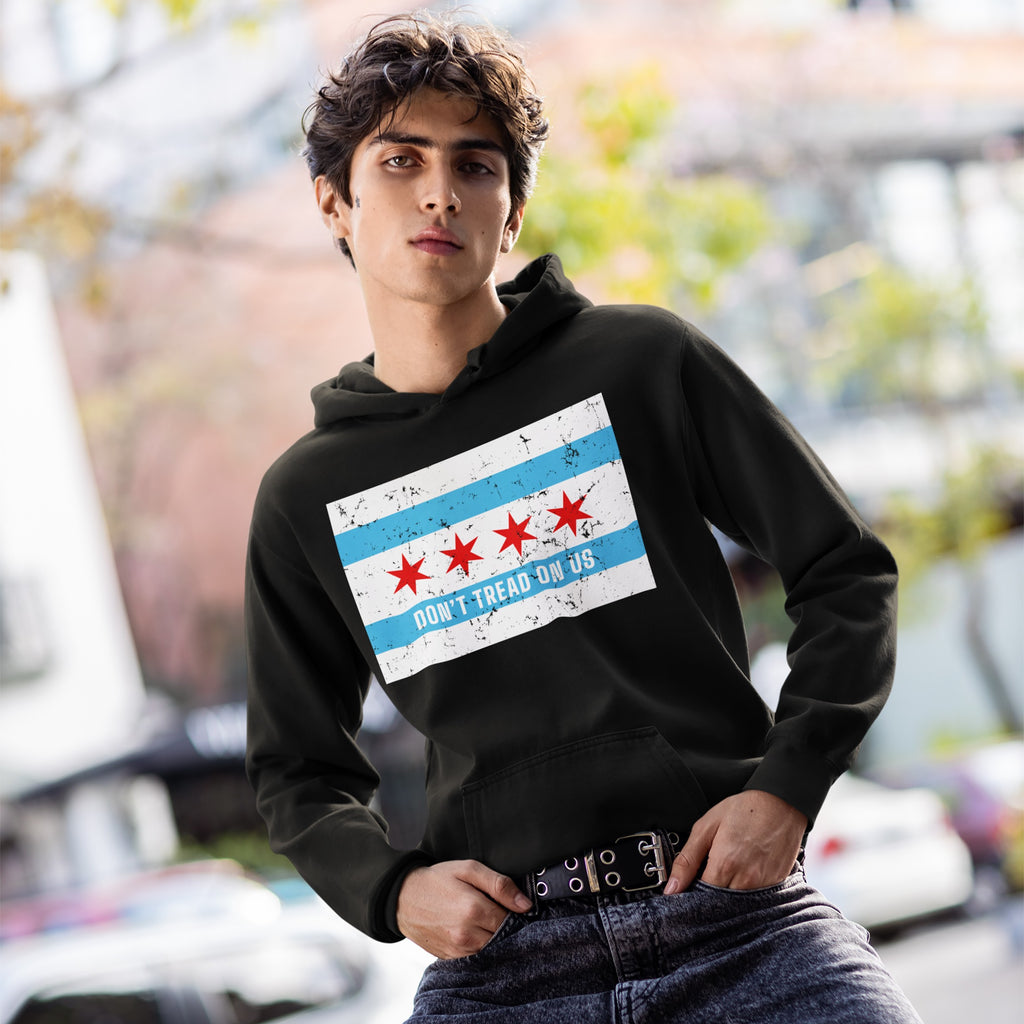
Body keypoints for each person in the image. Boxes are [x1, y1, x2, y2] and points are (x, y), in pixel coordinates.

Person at [245, 12, 922, 1022]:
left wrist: (789, 784)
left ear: (510, 212)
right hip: (506, 973)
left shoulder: (639, 361)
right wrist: (390, 892)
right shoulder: (306, 495)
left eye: (475, 166)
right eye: (399, 161)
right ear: (334, 203)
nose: (439, 191)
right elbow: (298, 771)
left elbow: (843, 569)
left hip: (734, 926)